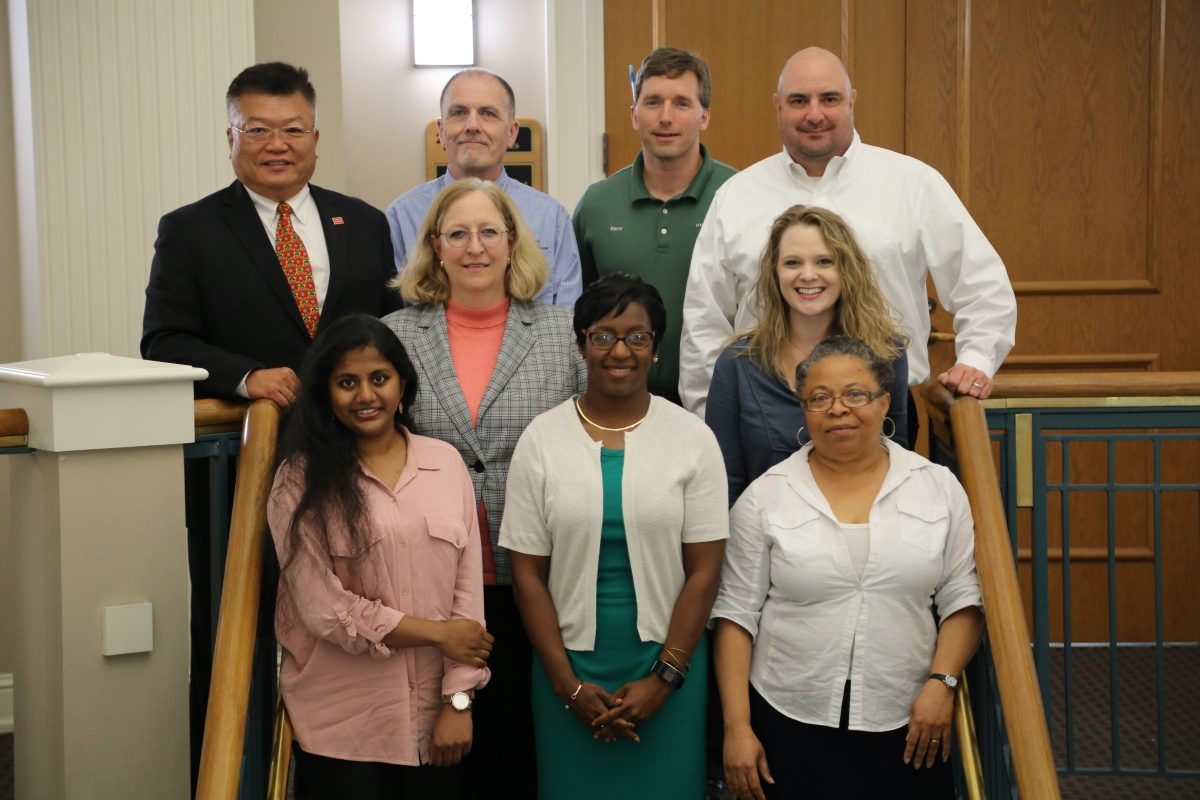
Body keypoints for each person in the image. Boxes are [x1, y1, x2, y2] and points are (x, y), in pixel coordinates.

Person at [139, 62, 400, 786]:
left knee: (356, 627)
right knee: (237, 635)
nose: (276, 144)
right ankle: (235, 776)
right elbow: (163, 340)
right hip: (246, 478)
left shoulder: (365, 223)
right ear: (231, 136)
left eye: (292, 129)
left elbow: (388, 336)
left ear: (315, 137)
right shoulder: (190, 230)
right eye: (257, 129)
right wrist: (244, 376)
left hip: (360, 469)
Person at [679, 46, 1016, 428]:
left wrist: (976, 360)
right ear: (778, 106)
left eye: (829, 98)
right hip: (763, 413)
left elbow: (984, 287)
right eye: (798, 100)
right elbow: (704, 323)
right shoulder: (736, 197)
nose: (814, 113)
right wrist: (711, 421)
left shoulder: (913, 184)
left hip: (884, 409)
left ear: (852, 101)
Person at [712, 335, 984, 800]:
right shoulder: (766, 495)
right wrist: (737, 728)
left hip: (909, 717)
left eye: (855, 394)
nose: (838, 409)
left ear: (884, 404)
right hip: (787, 714)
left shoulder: (937, 487)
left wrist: (943, 682)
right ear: (804, 411)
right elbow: (736, 616)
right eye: (820, 398)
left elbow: (963, 597)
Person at [382, 177, 585, 797]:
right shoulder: (395, 335)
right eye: (458, 233)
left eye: (489, 232)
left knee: (518, 750)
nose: (475, 247)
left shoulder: (560, 334)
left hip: (533, 573)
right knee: (437, 755)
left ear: (513, 242)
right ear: (435, 246)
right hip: (428, 583)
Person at [501, 274, 729, 799]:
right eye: (603, 335)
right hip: (567, 668)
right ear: (581, 343)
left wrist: (664, 678)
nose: (619, 350)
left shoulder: (692, 439)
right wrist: (567, 686)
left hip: (669, 666)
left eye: (637, 336)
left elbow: (705, 571)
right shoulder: (541, 440)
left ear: (656, 347)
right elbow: (528, 576)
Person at [268, 313, 492, 798]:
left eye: (379, 379)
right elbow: (323, 610)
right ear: (325, 392)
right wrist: (437, 634)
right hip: (343, 728)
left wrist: (458, 702)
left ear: (402, 385)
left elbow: (467, 598)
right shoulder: (298, 481)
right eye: (347, 382)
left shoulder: (446, 463)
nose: (365, 395)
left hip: (439, 719)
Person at [705, 205, 909, 506]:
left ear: (846, 269)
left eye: (824, 261)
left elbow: (899, 463)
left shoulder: (886, 353)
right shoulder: (738, 363)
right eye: (792, 262)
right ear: (774, 273)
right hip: (765, 538)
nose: (808, 275)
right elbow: (725, 485)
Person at [573, 47, 736, 403]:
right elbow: (576, 312)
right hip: (618, 402)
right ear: (634, 115)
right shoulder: (597, 204)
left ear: (704, 116)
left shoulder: (739, 196)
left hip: (719, 402)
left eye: (681, 103)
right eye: (652, 103)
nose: (665, 117)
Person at [386, 68, 582, 309]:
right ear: (441, 131)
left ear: (512, 133)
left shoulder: (552, 218)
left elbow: (566, 327)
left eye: (488, 113)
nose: (472, 125)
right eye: (458, 113)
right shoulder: (400, 217)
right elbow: (392, 326)